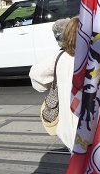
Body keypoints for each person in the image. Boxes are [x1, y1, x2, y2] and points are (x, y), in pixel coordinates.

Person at [29, 17, 79, 151]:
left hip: (69, 131)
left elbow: (36, 74)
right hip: (90, 133)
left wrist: (52, 82)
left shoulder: (60, 58)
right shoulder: (96, 60)